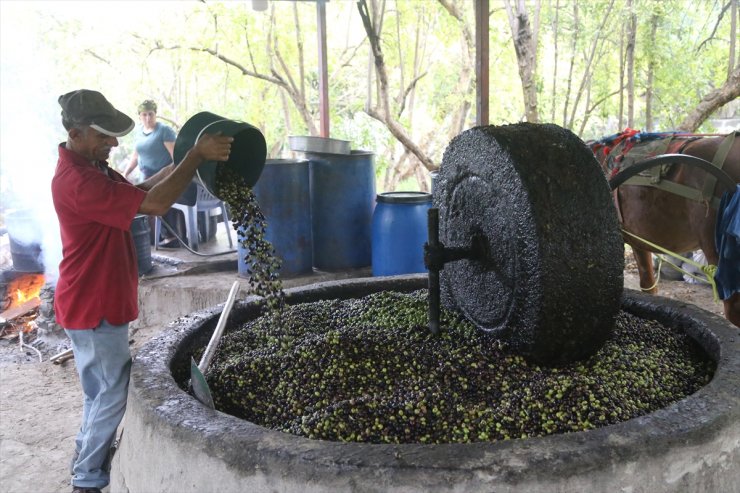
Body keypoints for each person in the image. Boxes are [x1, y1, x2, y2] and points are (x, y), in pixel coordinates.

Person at [52, 89, 232, 493]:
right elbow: (153, 205)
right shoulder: (78, 181)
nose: (114, 144)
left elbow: (143, 190)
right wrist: (195, 157)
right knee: (114, 391)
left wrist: (180, 158)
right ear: (76, 133)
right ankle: (87, 478)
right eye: (104, 136)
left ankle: (84, 456)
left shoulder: (94, 168)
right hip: (92, 303)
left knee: (99, 391)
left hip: (93, 298)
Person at [122, 100, 180, 246]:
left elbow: (175, 156)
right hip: (145, 175)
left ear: (155, 114)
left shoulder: (164, 131)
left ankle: (170, 238)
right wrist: (125, 173)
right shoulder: (138, 134)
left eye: (151, 114)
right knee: (140, 204)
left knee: (160, 203)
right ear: (140, 116)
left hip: (163, 176)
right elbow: (135, 156)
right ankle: (151, 239)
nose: (148, 118)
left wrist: (174, 175)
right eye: (144, 115)